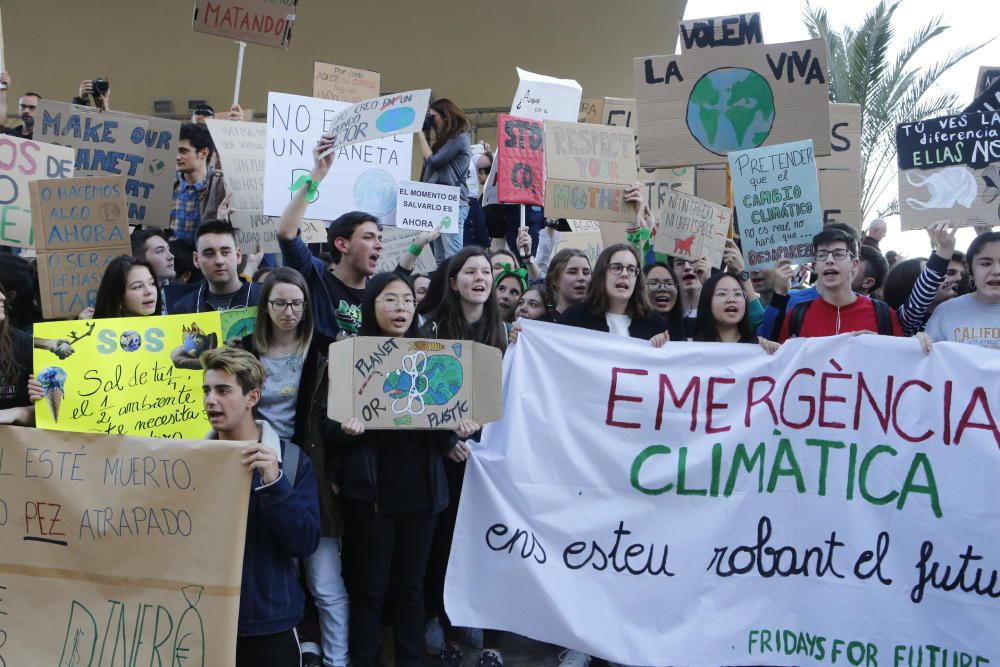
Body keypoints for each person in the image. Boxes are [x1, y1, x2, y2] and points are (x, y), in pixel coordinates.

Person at [334, 272, 478, 667]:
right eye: (389, 300)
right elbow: (330, 433)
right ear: (371, 306)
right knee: (370, 589)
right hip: (371, 496)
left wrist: (454, 435)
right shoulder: (349, 357)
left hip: (422, 493)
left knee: (411, 589)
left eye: (406, 301)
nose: (400, 309)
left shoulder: (432, 356)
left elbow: (436, 422)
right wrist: (347, 431)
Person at [239, 268, 349, 667]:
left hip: (309, 469)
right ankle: (299, 648)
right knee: (271, 570)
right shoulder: (242, 349)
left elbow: (336, 418)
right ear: (265, 306)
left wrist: (335, 468)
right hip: (251, 466)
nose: (290, 311)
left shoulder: (325, 349)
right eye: (280, 303)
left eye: (297, 303)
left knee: (323, 576)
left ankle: (338, 659)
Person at [200, 347, 321, 667]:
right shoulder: (192, 463)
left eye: (223, 390)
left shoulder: (291, 462)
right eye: (207, 390)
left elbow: (305, 542)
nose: (211, 400)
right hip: (203, 622)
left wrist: (275, 484)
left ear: (252, 397)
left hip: (271, 624)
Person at [419, 248, 506, 666]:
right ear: (453, 283)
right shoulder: (432, 329)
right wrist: (444, 441)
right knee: (447, 546)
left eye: (485, 271)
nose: (479, 278)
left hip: (490, 460)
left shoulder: (506, 333)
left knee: (490, 546)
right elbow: (419, 395)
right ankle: (450, 634)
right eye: (469, 271)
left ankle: (491, 640)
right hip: (447, 459)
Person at [278, 134, 435, 340]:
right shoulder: (315, 277)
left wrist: (419, 243)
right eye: (369, 237)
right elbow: (287, 233)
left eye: (379, 238)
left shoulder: (377, 291)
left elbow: (401, 273)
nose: (379, 245)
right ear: (342, 244)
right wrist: (317, 174)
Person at [777, 228, 902, 341]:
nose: (829, 260)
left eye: (838, 254)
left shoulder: (883, 315)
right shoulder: (797, 315)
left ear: (854, 264)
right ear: (815, 266)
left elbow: (901, 360)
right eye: (822, 255)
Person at [558, 244, 668, 342]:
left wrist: (658, 346)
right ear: (602, 274)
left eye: (631, 269)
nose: (625, 274)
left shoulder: (654, 322)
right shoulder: (575, 318)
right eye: (617, 268)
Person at [919, 231, 1000, 350]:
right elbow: (928, 361)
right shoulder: (946, 312)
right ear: (969, 268)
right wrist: (920, 343)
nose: (996, 271)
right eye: (986, 263)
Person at [417, 99, 472, 260]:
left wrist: (419, 133)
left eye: (433, 116)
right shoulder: (447, 140)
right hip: (440, 201)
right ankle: (442, 285)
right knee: (439, 256)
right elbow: (430, 163)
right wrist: (426, 135)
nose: (431, 120)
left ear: (446, 116)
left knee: (452, 254)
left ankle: (454, 284)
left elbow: (434, 161)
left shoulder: (459, 137)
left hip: (453, 203)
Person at [171, 221, 262, 314]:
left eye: (225, 253)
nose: (219, 261)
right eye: (209, 254)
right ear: (196, 260)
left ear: (238, 255)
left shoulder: (265, 298)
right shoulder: (184, 310)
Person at [692, 272, 780, 353]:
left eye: (738, 294)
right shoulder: (689, 346)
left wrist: (778, 352)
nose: (731, 299)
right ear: (707, 301)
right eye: (722, 294)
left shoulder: (761, 348)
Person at [170, 122, 227, 243]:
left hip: (205, 257)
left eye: (183, 151)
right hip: (170, 257)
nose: (177, 157)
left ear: (203, 153)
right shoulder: (166, 184)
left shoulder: (221, 186)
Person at [0, 285, 34, 425]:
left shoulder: (23, 343)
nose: (2, 297)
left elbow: (55, 413)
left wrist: (20, 413)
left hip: (16, 442)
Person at [92, 256, 163, 318]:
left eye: (152, 283)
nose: (149, 291)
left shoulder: (170, 327)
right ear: (118, 297)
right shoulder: (96, 331)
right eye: (138, 286)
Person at [643, 261, 687, 340]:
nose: (663, 288)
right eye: (653, 283)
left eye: (669, 283)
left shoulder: (689, 328)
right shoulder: (628, 329)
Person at [545, 249, 592, 317]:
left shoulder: (602, 321)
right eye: (572, 272)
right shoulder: (542, 324)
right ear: (554, 280)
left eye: (586, 273)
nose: (582, 278)